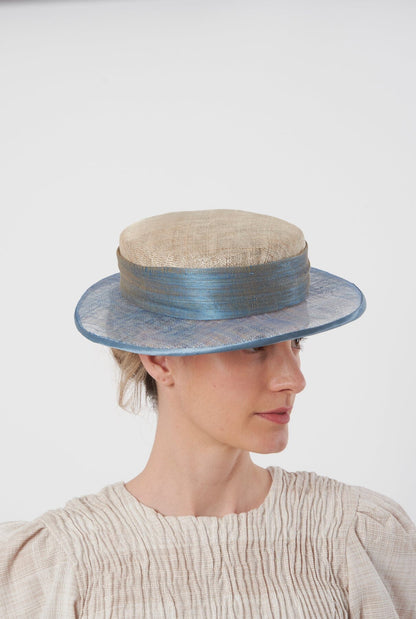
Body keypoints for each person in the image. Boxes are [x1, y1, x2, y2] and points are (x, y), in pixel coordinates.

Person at [0, 209, 415, 618]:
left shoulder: (356, 538)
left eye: (296, 343)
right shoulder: (60, 568)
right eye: (255, 346)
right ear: (159, 357)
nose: (294, 379)